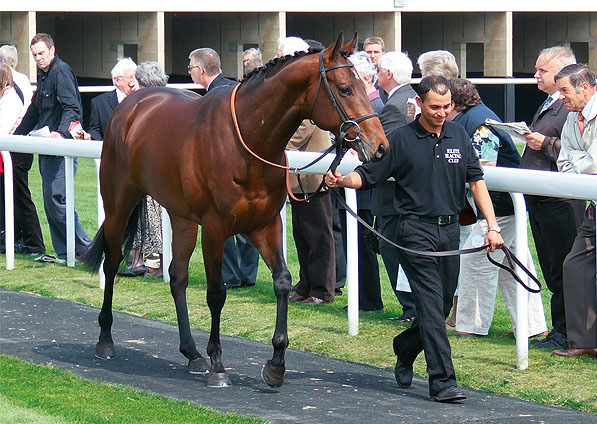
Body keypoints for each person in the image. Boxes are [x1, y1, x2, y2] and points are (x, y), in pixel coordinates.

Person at [325, 76, 504, 403]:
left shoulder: (459, 134)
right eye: (434, 107)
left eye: (446, 106)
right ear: (419, 104)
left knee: (442, 304)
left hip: (450, 232)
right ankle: (443, 381)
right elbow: (369, 175)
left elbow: (476, 182)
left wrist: (493, 226)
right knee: (431, 308)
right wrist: (342, 180)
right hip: (414, 232)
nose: (441, 112)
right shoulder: (401, 140)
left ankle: (406, 347)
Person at [448, 78, 547, 338]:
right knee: (514, 264)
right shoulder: (476, 118)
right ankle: (530, 326)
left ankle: (472, 325)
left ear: (454, 103)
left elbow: (484, 167)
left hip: (500, 204)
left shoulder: (480, 124)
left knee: (475, 259)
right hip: (504, 202)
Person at [522, 47, 580, 351]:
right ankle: (561, 327)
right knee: (551, 266)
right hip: (541, 198)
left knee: (561, 267)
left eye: (542, 71)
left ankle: (566, 330)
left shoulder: (572, 108)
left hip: (559, 199)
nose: (536, 76)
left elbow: (577, 152)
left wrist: (546, 143)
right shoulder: (552, 104)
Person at [13, 33, 91, 261]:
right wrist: (14, 136)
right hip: (47, 146)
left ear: (52, 51)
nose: (38, 58)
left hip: (61, 147)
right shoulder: (46, 75)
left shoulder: (61, 72)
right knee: (51, 200)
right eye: (34, 54)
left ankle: (84, 251)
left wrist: (61, 133)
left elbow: (72, 108)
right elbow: (35, 110)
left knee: (58, 199)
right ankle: (67, 252)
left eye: (41, 53)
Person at [188, 47, 259, 288]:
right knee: (247, 225)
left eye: (190, 68)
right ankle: (247, 276)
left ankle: (230, 276)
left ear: (200, 70)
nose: (189, 73)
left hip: (226, 170)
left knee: (222, 222)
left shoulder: (214, 96)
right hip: (245, 167)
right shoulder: (235, 87)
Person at [279, 37, 335, 305]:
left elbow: (301, 130)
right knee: (302, 235)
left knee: (319, 236)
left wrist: (272, 145)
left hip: (313, 177)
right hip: (298, 180)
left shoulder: (310, 91)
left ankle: (323, 291)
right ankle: (306, 285)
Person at [552, 64, 597, 359]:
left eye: (565, 91)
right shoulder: (571, 117)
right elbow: (563, 160)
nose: (561, 98)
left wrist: (580, 162)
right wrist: (583, 162)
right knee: (574, 265)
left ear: (584, 87)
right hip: (591, 205)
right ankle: (583, 341)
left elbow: (592, 162)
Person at [373, 51, 418, 321]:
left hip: (394, 194)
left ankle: (410, 306)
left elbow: (382, 150)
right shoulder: (407, 99)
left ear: (388, 74)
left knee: (391, 247)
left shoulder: (395, 106)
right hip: (402, 193)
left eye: (379, 70)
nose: (377, 75)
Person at [122, 61, 169, 278]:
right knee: (143, 215)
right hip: (146, 171)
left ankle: (159, 263)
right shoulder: (150, 101)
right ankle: (141, 260)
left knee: (156, 217)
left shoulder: (159, 103)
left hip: (159, 170)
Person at [0, 46, 45, 255]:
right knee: (14, 196)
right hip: (18, 144)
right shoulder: (23, 80)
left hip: (16, 146)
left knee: (20, 197)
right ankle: (19, 239)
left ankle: (34, 243)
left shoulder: (12, 86)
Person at [88, 57, 138, 141]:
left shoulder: (143, 99)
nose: (134, 81)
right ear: (117, 80)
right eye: (130, 77)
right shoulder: (99, 103)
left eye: (136, 77)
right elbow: (95, 130)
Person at [363, 37, 387, 103]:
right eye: (369, 52)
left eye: (376, 52)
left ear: (383, 54)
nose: (372, 56)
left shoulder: (389, 75)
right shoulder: (357, 75)